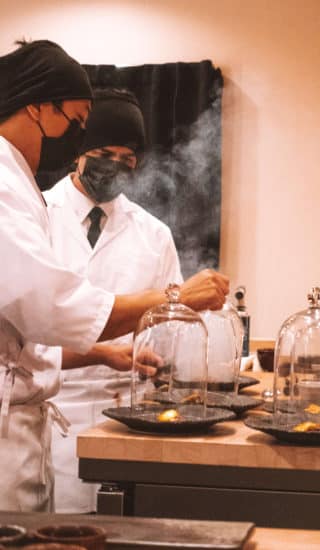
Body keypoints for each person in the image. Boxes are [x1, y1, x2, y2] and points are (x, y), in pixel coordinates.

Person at [0, 39, 229, 512]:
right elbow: (54, 308)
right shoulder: (13, 191)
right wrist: (177, 295)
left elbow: (25, 334)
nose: (75, 138)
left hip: (91, 418)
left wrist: (107, 354)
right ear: (41, 107)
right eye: (78, 124)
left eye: (130, 158)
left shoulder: (21, 186)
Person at [44, 88, 183, 513]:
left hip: (127, 417)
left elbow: (171, 330)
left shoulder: (154, 234)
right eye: (105, 152)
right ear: (78, 152)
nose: (115, 166)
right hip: (49, 414)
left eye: (128, 158)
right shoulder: (34, 216)